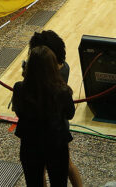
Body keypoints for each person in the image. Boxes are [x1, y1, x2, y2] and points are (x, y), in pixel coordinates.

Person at [11, 45, 76, 187]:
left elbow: (18, 112)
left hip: (30, 144)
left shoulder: (19, 88)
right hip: (56, 145)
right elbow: (70, 114)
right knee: (59, 183)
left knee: (33, 183)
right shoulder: (63, 91)